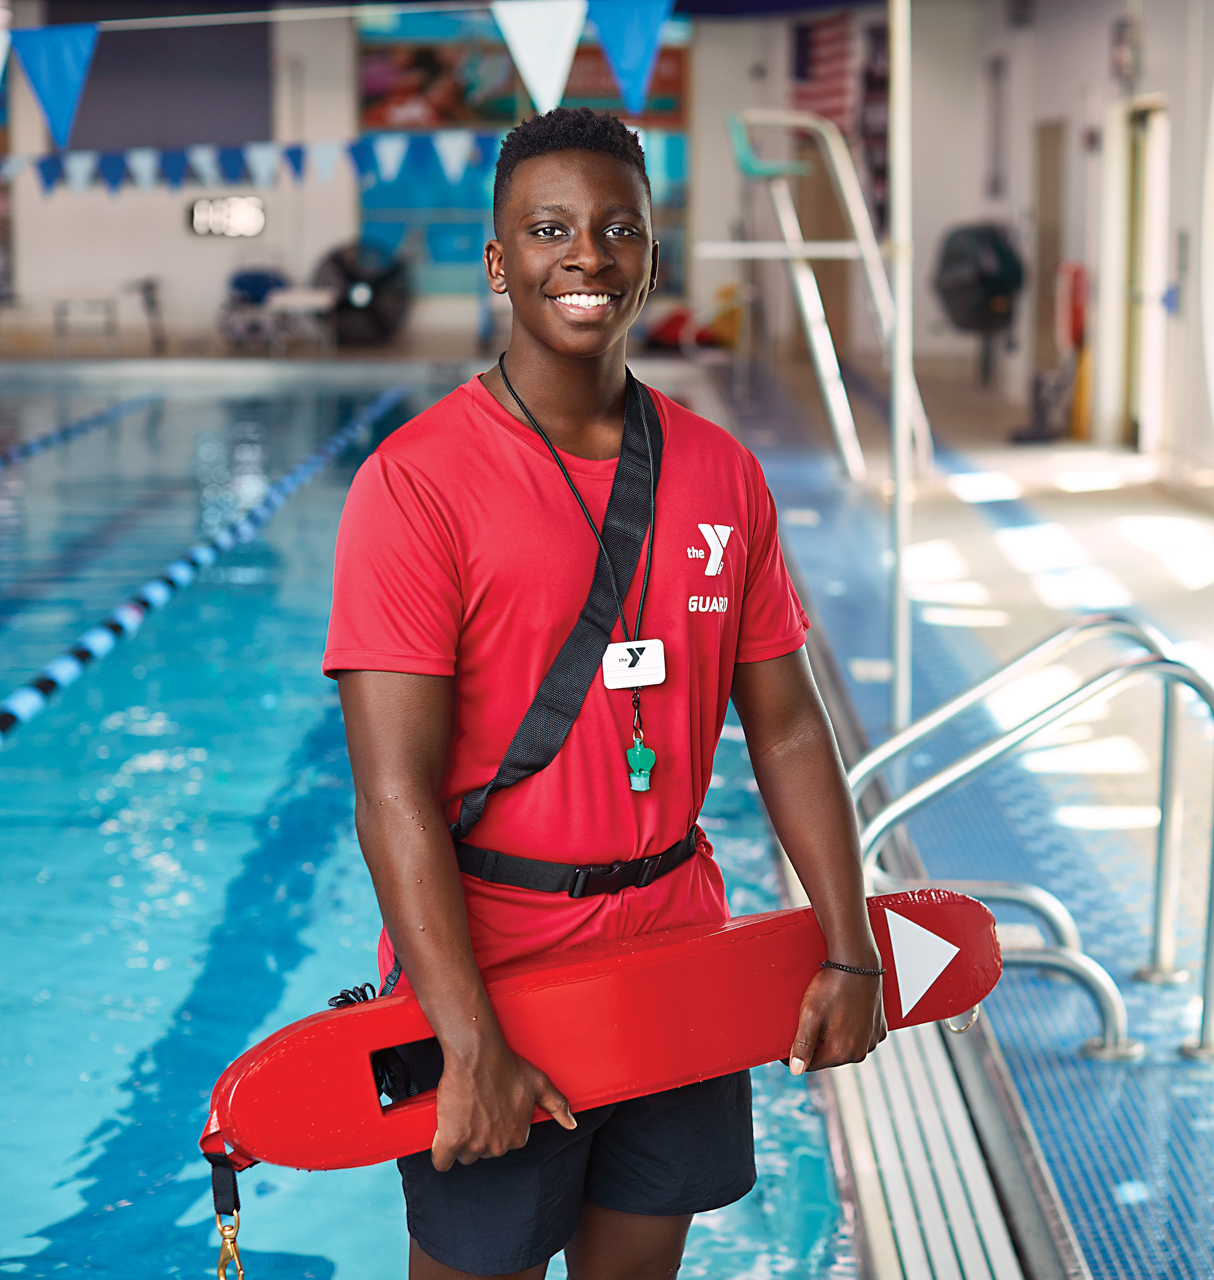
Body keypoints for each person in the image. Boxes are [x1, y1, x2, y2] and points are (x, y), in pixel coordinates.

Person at [324, 107, 887, 1280]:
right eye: (548, 229)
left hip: (675, 959)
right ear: (497, 262)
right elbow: (392, 794)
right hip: (496, 973)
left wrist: (850, 946)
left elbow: (785, 727)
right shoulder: (416, 484)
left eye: (616, 227)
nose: (586, 254)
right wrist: (466, 1038)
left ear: (651, 260)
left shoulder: (720, 469)